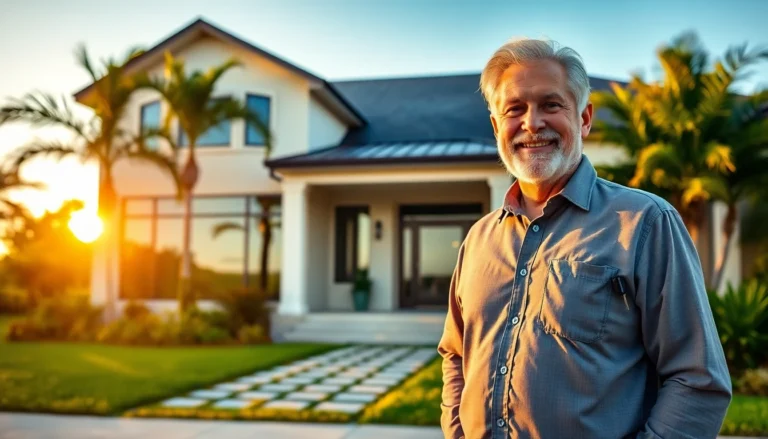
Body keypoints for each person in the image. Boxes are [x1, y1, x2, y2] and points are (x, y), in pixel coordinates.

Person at [438, 38, 732, 439]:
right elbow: (456, 354)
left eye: (551, 105)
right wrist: (456, 430)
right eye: (514, 109)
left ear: (584, 118)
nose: (531, 123)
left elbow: (698, 380)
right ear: (496, 126)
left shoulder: (645, 224)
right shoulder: (478, 240)